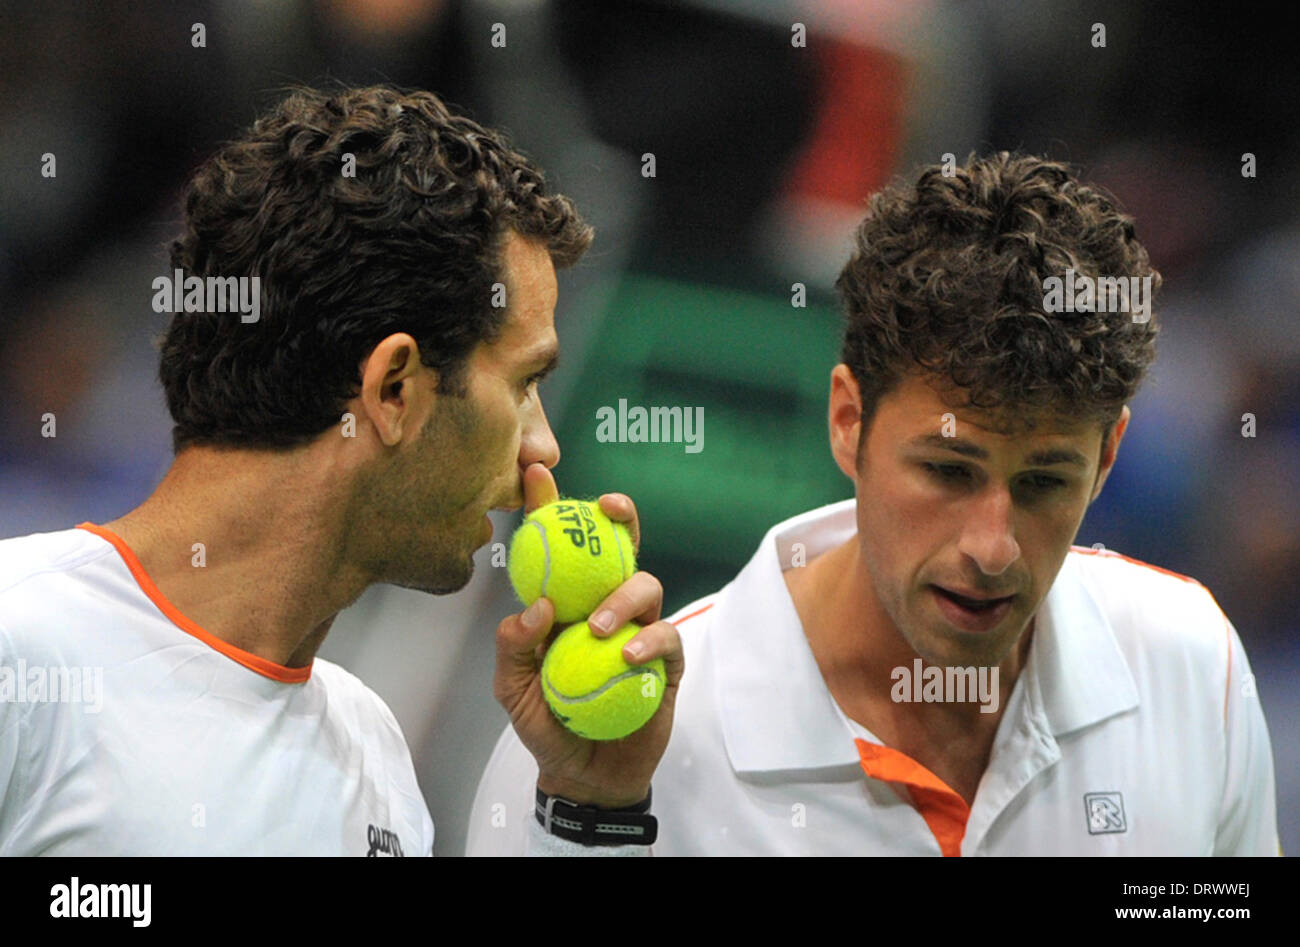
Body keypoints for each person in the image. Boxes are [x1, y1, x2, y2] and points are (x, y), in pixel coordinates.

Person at [468, 152, 1279, 856]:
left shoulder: (1192, 666)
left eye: (1043, 483)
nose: (993, 548)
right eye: (949, 470)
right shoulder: (599, 756)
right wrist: (589, 821)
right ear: (849, 421)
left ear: (1107, 458)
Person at [0, 85, 682, 856]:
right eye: (525, 384)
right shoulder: (17, 648)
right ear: (394, 389)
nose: (544, 448)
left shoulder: (373, 753)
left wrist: (589, 810)